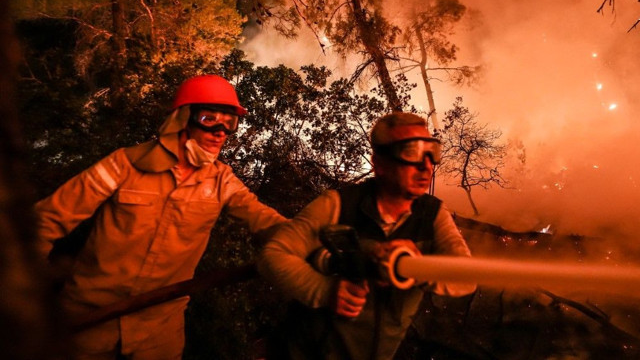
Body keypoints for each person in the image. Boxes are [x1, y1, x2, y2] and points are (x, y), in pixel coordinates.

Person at [34, 75, 286, 359]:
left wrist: (307, 239)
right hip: (87, 324)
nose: (220, 132)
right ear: (182, 120)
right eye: (209, 119)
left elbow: (262, 218)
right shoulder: (125, 164)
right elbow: (47, 220)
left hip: (158, 333)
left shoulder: (222, 181)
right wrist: (29, 294)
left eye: (229, 124)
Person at [259, 112, 476, 360]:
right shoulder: (336, 205)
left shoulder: (433, 215)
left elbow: (466, 277)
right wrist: (325, 290)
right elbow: (272, 255)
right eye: (411, 151)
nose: (426, 165)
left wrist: (419, 269)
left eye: (432, 152)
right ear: (379, 164)